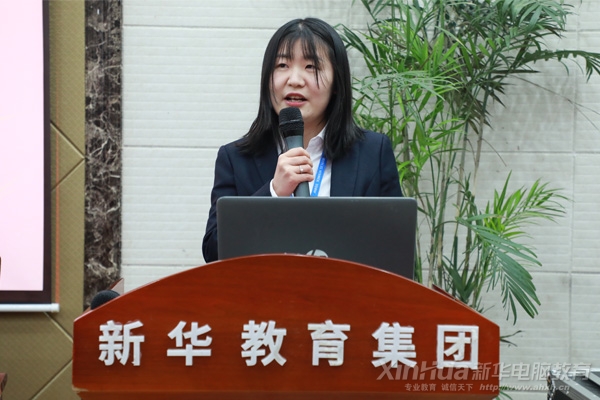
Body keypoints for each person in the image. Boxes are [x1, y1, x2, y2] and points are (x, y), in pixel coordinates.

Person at [202, 17, 402, 263]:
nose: (294, 79)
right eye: (282, 65)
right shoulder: (235, 159)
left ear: (336, 82)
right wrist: (273, 193)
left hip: (347, 288)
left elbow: (396, 251)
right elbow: (214, 253)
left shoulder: (373, 153)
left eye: (311, 66)